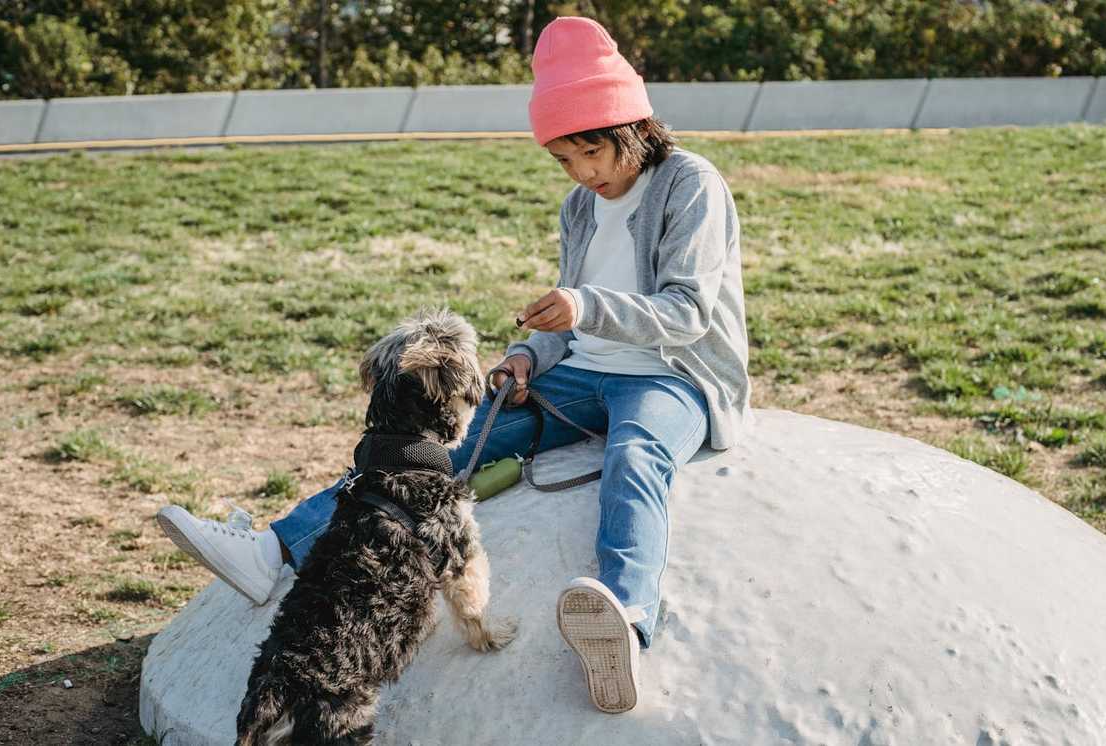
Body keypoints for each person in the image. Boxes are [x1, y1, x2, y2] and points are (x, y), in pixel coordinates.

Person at [157, 15, 752, 714]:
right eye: (563, 160)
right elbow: (572, 323)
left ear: (630, 131)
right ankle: (274, 550)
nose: (580, 174)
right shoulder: (580, 208)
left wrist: (583, 307)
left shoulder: (690, 186)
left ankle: (623, 617)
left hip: (672, 375)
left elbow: (688, 312)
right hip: (579, 373)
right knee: (436, 452)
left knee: (637, 455)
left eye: (587, 154)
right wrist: (530, 354)